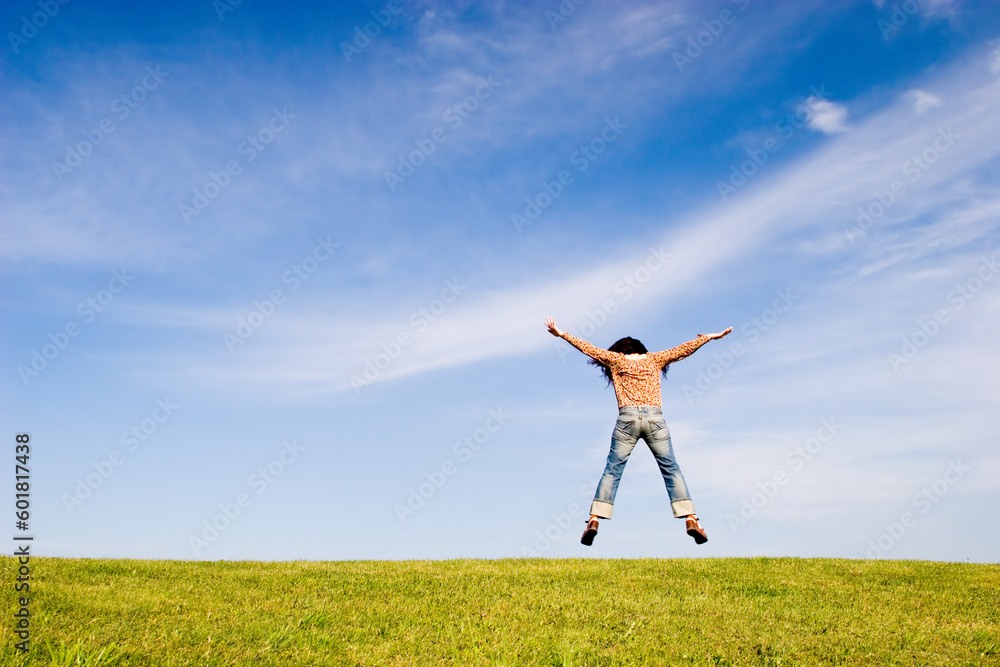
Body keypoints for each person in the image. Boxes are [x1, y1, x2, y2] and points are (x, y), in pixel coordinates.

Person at [545, 317, 732, 546]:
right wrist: (709, 338)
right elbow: (684, 349)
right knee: (671, 468)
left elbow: (588, 349)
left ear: (621, 349)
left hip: (627, 419)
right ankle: (690, 518)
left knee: (612, 470)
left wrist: (562, 334)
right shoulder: (654, 359)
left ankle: (594, 519)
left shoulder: (616, 360)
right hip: (655, 420)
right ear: (642, 350)